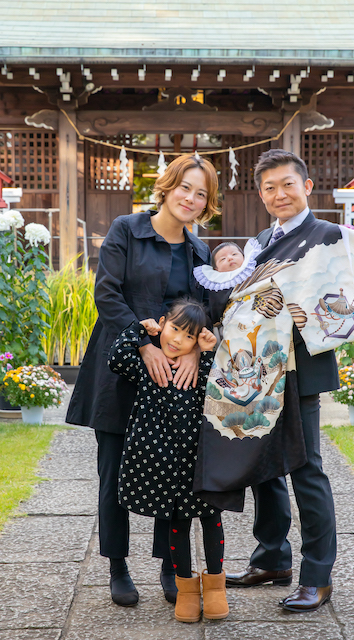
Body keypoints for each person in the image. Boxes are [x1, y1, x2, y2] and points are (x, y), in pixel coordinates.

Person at [65, 154, 219, 607]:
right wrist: (143, 345)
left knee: (173, 473)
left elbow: (206, 311)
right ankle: (118, 566)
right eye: (185, 188)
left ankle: (171, 567)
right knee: (113, 472)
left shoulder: (200, 251)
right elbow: (106, 293)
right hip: (121, 371)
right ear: (167, 186)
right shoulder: (126, 230)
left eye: (201, 194)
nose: (190, 199)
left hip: (175, 382)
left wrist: (191, 349)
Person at [223, 149, 339, 612]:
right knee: (263, 467)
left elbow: (340, 307)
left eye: (287, 184)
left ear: (307, 186)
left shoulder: (329, 235)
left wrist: (294, 313)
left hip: (303, 368)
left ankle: (318, 575)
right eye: (269, 187)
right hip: (260, 369)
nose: (279, 194)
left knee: (306, 468)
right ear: (261, 194)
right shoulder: (259, 242)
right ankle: (272, 559)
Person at [108, 298, 229, 623]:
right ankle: (186, 590)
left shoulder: (201, 366)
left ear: (195, 341)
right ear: (163, 323)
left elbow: (225, 382)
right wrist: (140, 330)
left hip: (199, 463)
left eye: (186, 336)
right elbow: (116, 359)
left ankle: (216, 588)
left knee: (210, 519)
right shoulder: (151, 365)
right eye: (173, 328)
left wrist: (208, 350)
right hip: (161, 464)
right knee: (177, 524)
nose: (176, 339)